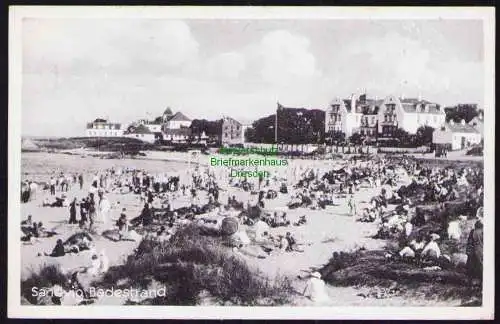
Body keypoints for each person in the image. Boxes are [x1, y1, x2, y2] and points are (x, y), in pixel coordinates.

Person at [466, 219, 483, 287]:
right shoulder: (483, 231)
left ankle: (470, 282)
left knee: (471, 266)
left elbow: (469, 242)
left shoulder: (473, 231)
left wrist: (468, 251)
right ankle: (481, 282)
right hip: (481, 250)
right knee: (480, 265)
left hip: (473, 250)